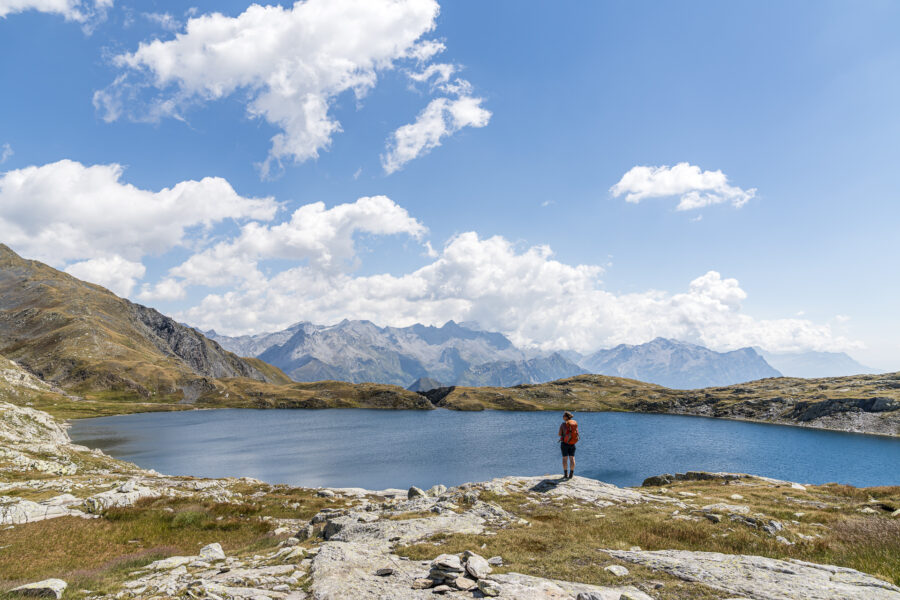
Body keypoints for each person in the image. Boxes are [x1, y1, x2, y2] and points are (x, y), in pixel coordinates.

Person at [558, 411, 579, 479]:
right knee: (572, 458)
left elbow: (559, 434)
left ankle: (565, 474)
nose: (562, 417)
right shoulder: (574, 423)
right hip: (572, 443)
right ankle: (571, 474)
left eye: (563, 416)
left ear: (566, 417)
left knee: (565, 458)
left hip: (565, 443)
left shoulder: (563, 424)